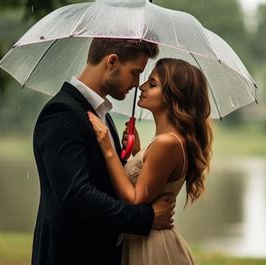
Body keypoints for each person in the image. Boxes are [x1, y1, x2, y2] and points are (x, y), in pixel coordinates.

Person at [31, 39, 176, 265]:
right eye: (135, 72)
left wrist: (130, 159)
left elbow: (102, 182)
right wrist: (146, 219)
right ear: (112, 62)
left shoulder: (103, 116)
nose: (138, 83)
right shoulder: (62, 114)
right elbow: (77, 197)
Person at [88, 58, 213, 265]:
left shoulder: (167, 143)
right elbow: (150, 185)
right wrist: (136, 153)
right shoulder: (166, 141)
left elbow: (135, 200)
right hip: (142, 239)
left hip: (153, 247)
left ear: (173, 97)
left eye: (152, 84)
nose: (142, 86)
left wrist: (108, 149)